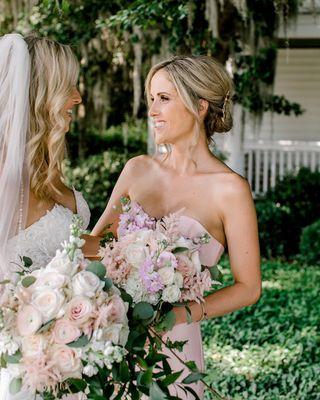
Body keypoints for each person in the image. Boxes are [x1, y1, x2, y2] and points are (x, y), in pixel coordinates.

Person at [92, 55, 262, 398]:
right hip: (112, 336)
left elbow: (248, 287)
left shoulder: (230, 189)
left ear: (199, 106)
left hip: (174, 350)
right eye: (151, 99)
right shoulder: (137, 170)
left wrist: (179, 316)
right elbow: (97, 245)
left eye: (164, 99)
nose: (153, 110)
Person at [0, 33, 90, 399]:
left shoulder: (48, 175)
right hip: (20, 372)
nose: (78, 97)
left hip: (73, 367)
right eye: (69, 86)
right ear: (42, 93)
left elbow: (83, 253)